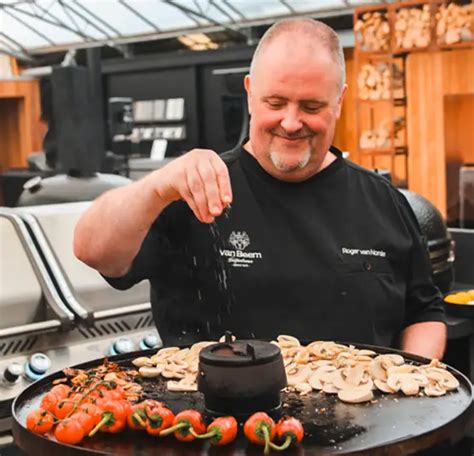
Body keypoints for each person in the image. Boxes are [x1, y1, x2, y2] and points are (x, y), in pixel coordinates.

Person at [74, 18, 446, 359]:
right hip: (214, 425)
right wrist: (156, 186)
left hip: (363, 427)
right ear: (250, 93)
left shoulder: (383, 202)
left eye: (312, 106)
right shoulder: (194, 192)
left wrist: (413, 382)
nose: (291, 121)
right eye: (276, 102)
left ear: (340, 101)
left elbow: (424, 312)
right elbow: (93, 250)